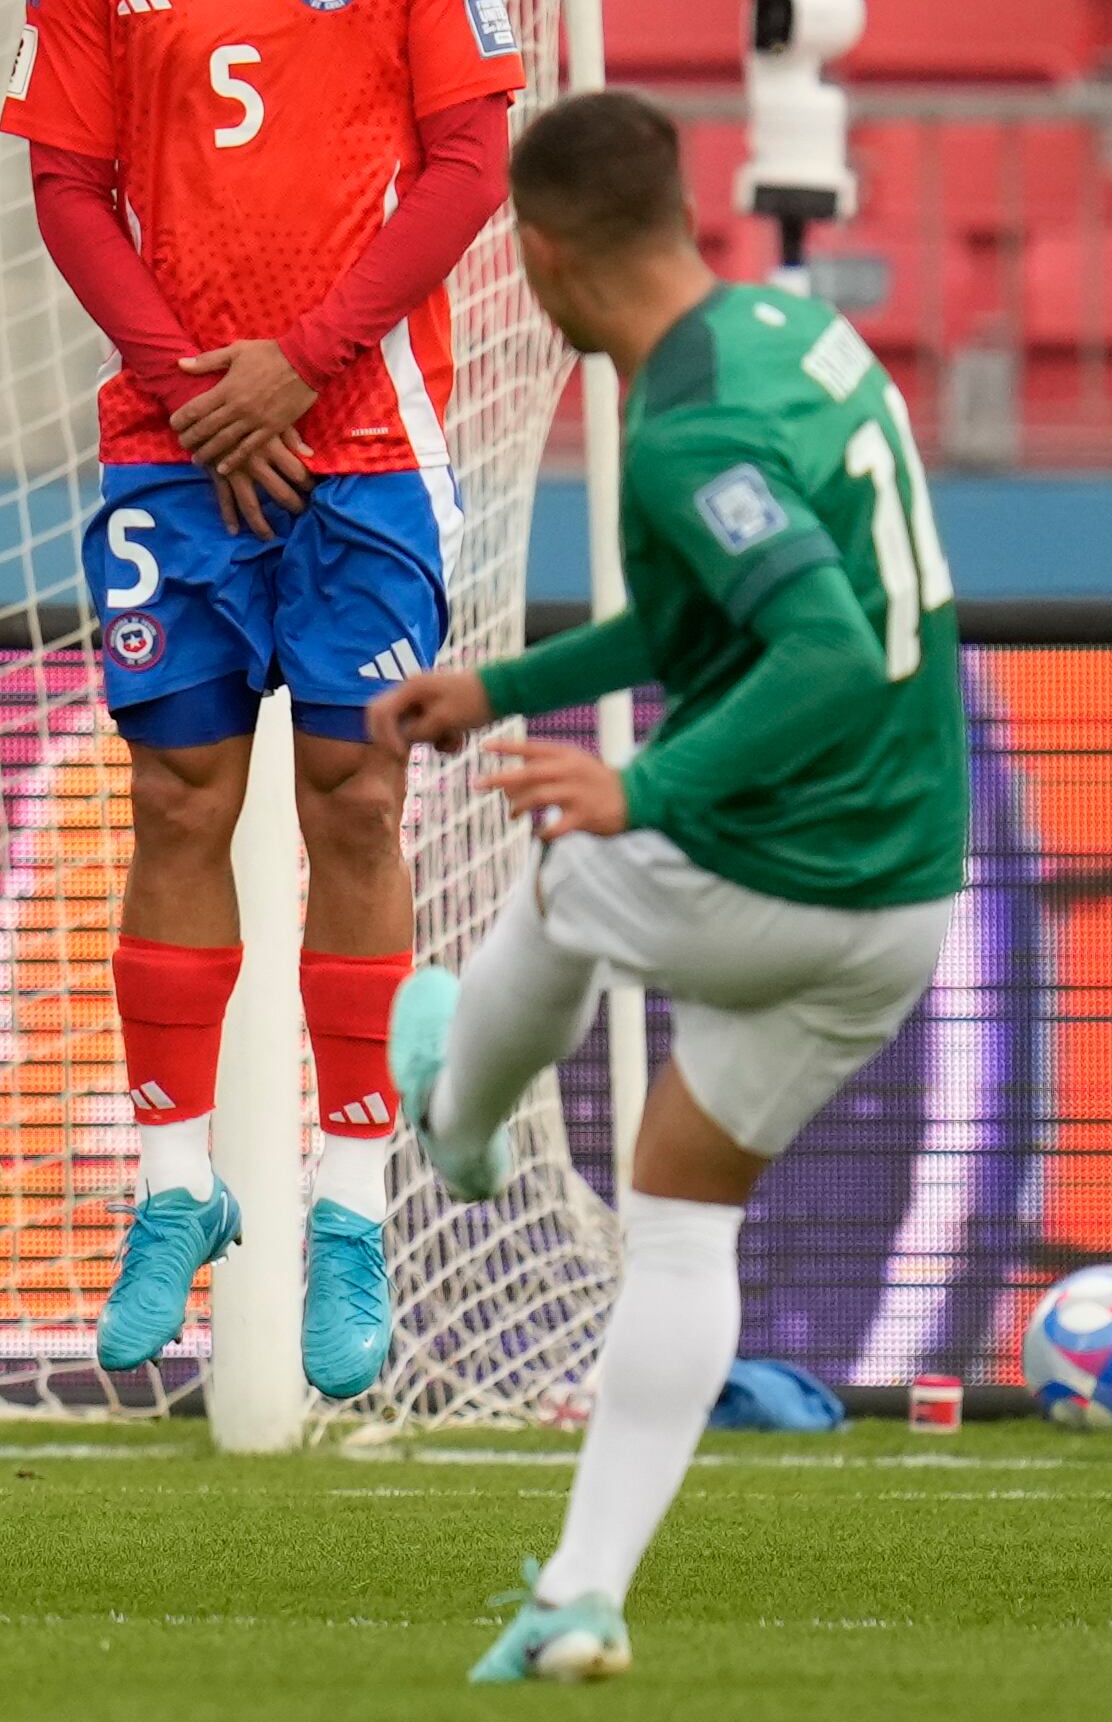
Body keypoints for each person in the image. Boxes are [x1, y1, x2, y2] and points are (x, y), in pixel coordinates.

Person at [371, 89, 963, 1683]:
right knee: (678, 1211)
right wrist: (504, 687)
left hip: (786, 863)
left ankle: (460, 1115)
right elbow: (726, 613)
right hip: (899, 902)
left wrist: (636, 784)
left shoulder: (688, 428)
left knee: (571, 866)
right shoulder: (782, 334)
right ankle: (578, 1590)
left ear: (541, 251)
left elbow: (820, 644)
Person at [0, 0, 525, 1397]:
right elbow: (65, 186)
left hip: (367, 429)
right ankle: (175, 1185)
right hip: (175, 433)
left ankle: (353, 1205)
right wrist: (189, 380)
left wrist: (293, 369)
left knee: (353, 791)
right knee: (173, 787)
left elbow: (465, 157)